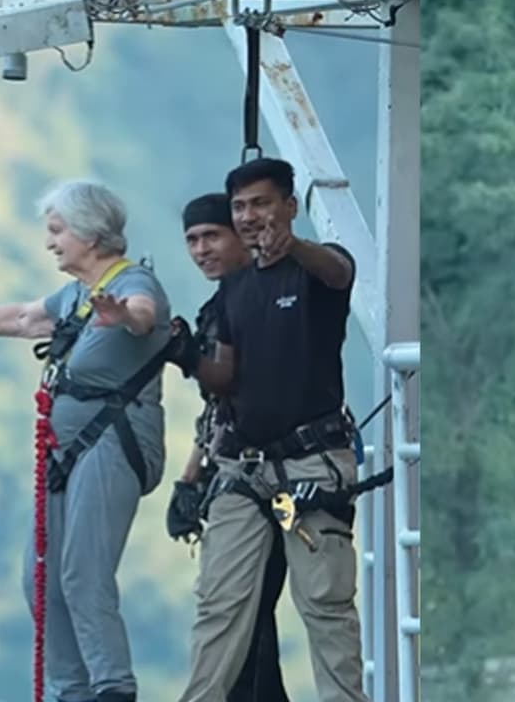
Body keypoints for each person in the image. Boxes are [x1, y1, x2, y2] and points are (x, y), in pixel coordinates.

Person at [0, 179, 171, 702]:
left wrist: (124, 317)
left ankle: (111, 687)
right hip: (69, 449)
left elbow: (144, 316)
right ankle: (71, 690)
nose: (50, 242)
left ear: (90, 233)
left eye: (58, 230)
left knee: (84, 569)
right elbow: (23, 318)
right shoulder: (77, 294)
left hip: (113, 442)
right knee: (39, 575)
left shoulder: (133, 283)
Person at [174, 158, 368, 702]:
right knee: (220, 605)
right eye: (240, 207)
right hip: (244, 467)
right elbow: (225, 374)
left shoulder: (315, 269)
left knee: (324, 604)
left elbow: (340, 272)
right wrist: (181, 351)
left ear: (289, 205)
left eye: (261, 203)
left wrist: (294, 247)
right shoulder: (235, 288)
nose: (250, 216)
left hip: (312, 461)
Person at [167, 192, 291, 702]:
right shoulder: (222, 304)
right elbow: (219, 412)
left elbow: (233, 387)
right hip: (234, 473)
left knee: (247, 612)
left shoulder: (262, 300)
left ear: (241, 236)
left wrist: (189, 358)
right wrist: (191, 477)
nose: (201, 250)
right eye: (192, 240)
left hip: (280, 473)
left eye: (211, 236)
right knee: (244, 615)